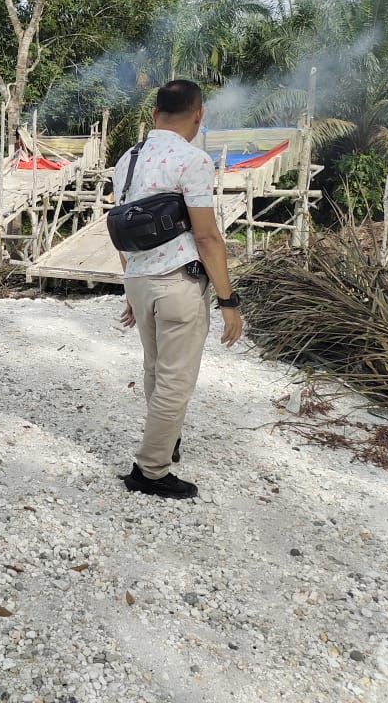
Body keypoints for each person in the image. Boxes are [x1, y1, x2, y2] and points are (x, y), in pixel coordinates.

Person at [114, 79, 243, 499]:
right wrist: (228, 301)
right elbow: (206, 236)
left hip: (138, 279)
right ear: (199, 115)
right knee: (175, 380)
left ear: (154, 114)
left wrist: (131, 286)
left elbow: (122, 229)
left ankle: (165, 442)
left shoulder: (127, 160)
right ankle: (150, 471)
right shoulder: (194, 160)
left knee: (155, 369)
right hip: (178, 283)